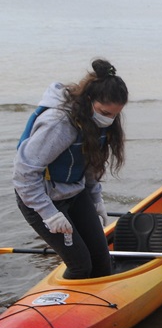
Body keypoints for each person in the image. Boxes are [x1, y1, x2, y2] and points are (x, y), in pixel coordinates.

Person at [13, 59, 128, 279]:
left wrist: (96, 199)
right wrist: (50, 214)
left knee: (102, 262)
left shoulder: (98, 120)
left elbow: (90, 163)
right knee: (81, 266)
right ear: (88, 100)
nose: (109, 119)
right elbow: (24, 173)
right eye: (105, 112)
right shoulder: (58, 124)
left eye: (114, 115)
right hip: (40, 199)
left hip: (76, 192)